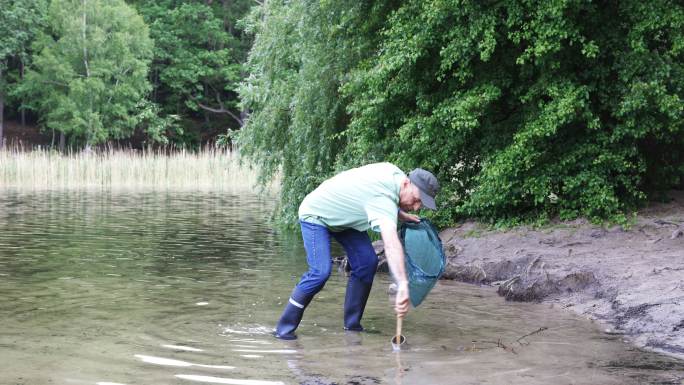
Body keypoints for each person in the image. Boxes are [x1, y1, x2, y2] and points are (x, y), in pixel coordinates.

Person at [274, 162, 439, 339]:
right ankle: (283, 330)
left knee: (367, 263)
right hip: (316, 214)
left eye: (420, 204)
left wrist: (398, 213)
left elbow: (370, 191)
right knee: (320, 273)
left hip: (346, 219)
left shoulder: (395, 175)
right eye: (416, 200)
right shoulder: (383, 197)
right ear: (407, 183)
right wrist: (403, 284)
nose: (416, 207)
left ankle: (352, 327)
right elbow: (391, 244)